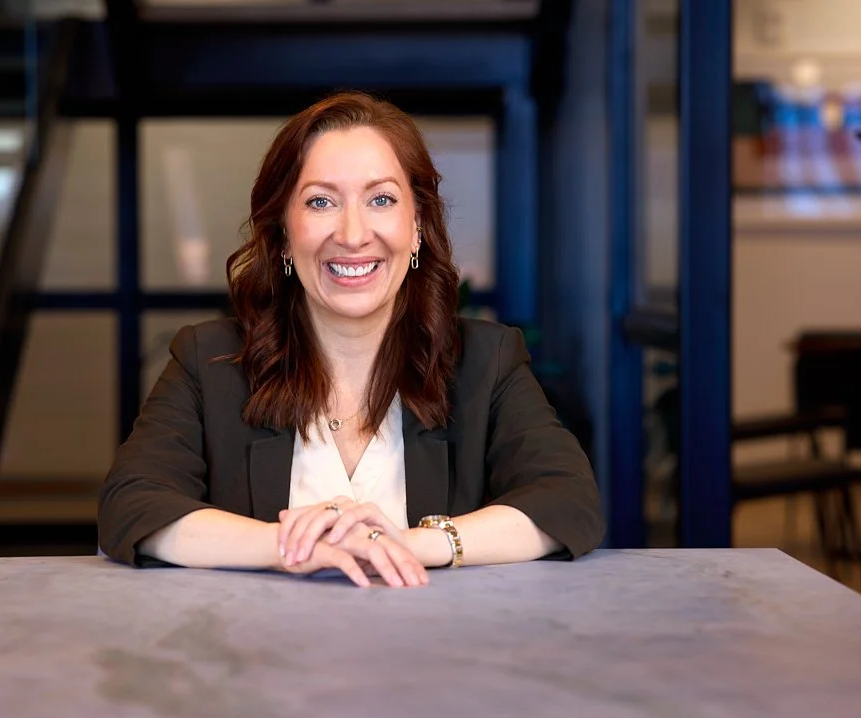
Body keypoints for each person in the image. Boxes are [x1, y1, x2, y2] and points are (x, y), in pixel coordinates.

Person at [98, 91, 604, 588]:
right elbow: (133, 504)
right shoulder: (209, 362)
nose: (353, 233)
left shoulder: (485, 361)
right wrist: (289, 548)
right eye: (321, 202)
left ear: (419, 226)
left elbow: (567, 500)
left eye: (381, 199)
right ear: (281, 236)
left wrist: (412, 544)